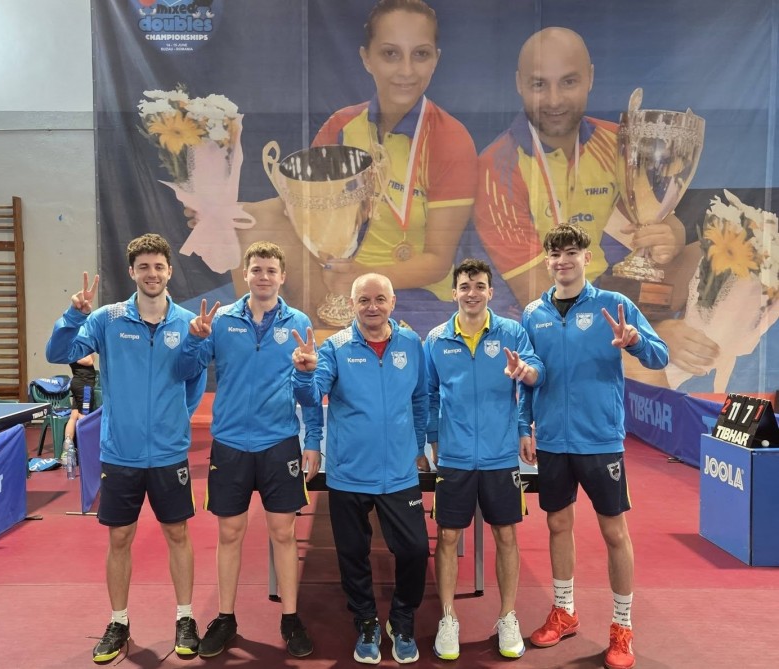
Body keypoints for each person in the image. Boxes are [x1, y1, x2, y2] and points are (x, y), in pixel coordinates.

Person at [473, 26, 716, 380]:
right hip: (546, 316)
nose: (554, 100)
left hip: (613, 290)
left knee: (715, 262)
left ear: (590, 78)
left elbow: (660, 215)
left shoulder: (617, 142)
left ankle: (717, 373)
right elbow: (547, 299)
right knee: (646, 367)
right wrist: (650, 332)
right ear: (519, 84)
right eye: (540, 84)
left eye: (568, 82)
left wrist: (671, 235)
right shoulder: (497, 168)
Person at [231, 0, 477, 333]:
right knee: (249, 221)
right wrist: (221, 216)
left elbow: (437, 263)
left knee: (334, 333)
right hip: (338, 279)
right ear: (366, 58)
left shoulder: (451, 139)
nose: (406, 70)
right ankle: (255, 342)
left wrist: (363, 275)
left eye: (420, 54)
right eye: (390, 54)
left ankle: (325, 339)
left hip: (415, 293)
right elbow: (304, 209)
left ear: (435, 59)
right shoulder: (341, 126)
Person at [45, 233, 207, 664]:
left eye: (159, 266)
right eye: (144, 267)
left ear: (169, 271)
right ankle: (118, 621)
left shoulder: (187, 322)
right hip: (120, 453)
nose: (152, 274)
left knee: (178, 534)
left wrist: (178, 417)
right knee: (119, 537)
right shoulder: (106, 318)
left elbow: (195, 377)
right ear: (131, 271)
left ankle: (185, 617)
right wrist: (72, 315)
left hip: (169, 453)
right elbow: (58, 352)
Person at [518, 224, 669, 669]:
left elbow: (660, 356)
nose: (562, 260)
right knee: (557, 524)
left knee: (613, 532)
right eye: (555, 253)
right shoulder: (533, 314)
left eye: (571, 252)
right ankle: (564, 610)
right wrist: (524, 427)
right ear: (547, 260)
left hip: (600, 439)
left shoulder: (615, 305)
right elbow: (527, 374)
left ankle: (622, 626)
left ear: (587, 257)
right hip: (552, 439)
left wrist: (635, 341)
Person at [175, 241, 322, 658]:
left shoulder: (298, 322)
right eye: (256, 269)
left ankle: (290, 618)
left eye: (271, 270)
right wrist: (193, 340)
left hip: (279, 443)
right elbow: (186, 370)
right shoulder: (222, 320)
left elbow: (309, 395)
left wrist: (312, 434)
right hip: (231, 443)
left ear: (282, 277)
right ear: (246, 274)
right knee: (230, 533)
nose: (263, 277)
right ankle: (225, 617)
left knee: (284, 533)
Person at [291, 273, 430, 664]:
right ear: (352, 305)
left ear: (393, 303)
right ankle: (366, 621)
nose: (372, 306)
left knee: (416, 550)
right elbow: (310, 395)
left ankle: (401, 620)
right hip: (350, 473)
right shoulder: (335, 348)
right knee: (353, 554)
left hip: (399, 472)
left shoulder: (411, 344)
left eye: (380, 299)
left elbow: (421, 399)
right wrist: (304, 372)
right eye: (364, 300)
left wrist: (418, 445)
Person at [423, 258, 545, 661]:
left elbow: (534, 376)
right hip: (455, 456)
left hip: (500, 455)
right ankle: (447, 617)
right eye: (464, 286)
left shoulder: (512, 332)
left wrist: (524, 384)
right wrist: (434, 439)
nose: (471, 293)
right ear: (453, 293)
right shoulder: (436, 339)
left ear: (491, 292)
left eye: (479, 286)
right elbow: (428, 395)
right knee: (447, 537)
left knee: (506, 535)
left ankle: (507, 617)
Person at [61, 353, 96, 462]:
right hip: (83, 385)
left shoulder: (78, 350)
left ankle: (67, 451)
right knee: (83, 417)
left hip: (81, 384)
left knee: (74, 416)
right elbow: (90, 361)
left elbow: (92, 357)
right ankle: (84, 452)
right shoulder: (73, 351)